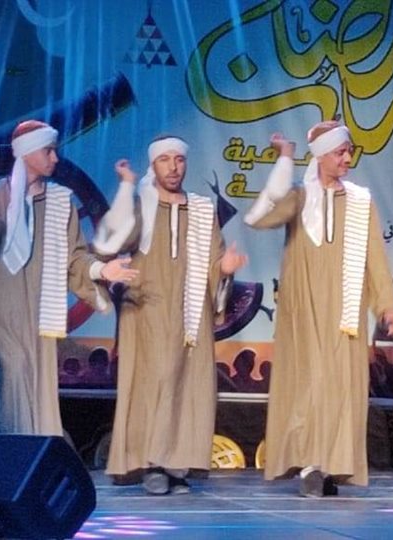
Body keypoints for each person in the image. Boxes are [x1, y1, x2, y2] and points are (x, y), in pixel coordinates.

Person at [0, 120, 136, 436]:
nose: (55, 158)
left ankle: (40, 449)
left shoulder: (60, 202)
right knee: (13, 375)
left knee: (42, 386)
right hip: (6, 306)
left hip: (43, 307)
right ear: (27, 152)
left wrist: (102, 270)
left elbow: (75, 258)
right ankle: (15, 448)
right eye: (49, 151)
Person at [243, 121, 393, 497]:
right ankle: (310, 464)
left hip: (346, 311)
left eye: (348, 152)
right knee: (308, 385)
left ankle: (331, 464)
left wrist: (387, 306)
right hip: (304, 310)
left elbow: (375, 259)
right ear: (321, 156)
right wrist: (285, 161)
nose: (347, 159)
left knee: (341, 387)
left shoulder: (360, 200)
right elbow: (259, 217)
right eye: (340, 152)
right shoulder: (299, 197)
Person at [93, 135, 247, 495]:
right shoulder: (141, 205)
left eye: (179, 160)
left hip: (191, 314)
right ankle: (151, 462)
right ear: (154, 165)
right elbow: (111, 241)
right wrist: (127, 188)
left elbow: (214, 260)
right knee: (155, 381)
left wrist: (224, 268)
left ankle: (177, 465)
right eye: (165, 160)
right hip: (146, 310)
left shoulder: (202, 209)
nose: (174, 168)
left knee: (188, 385)